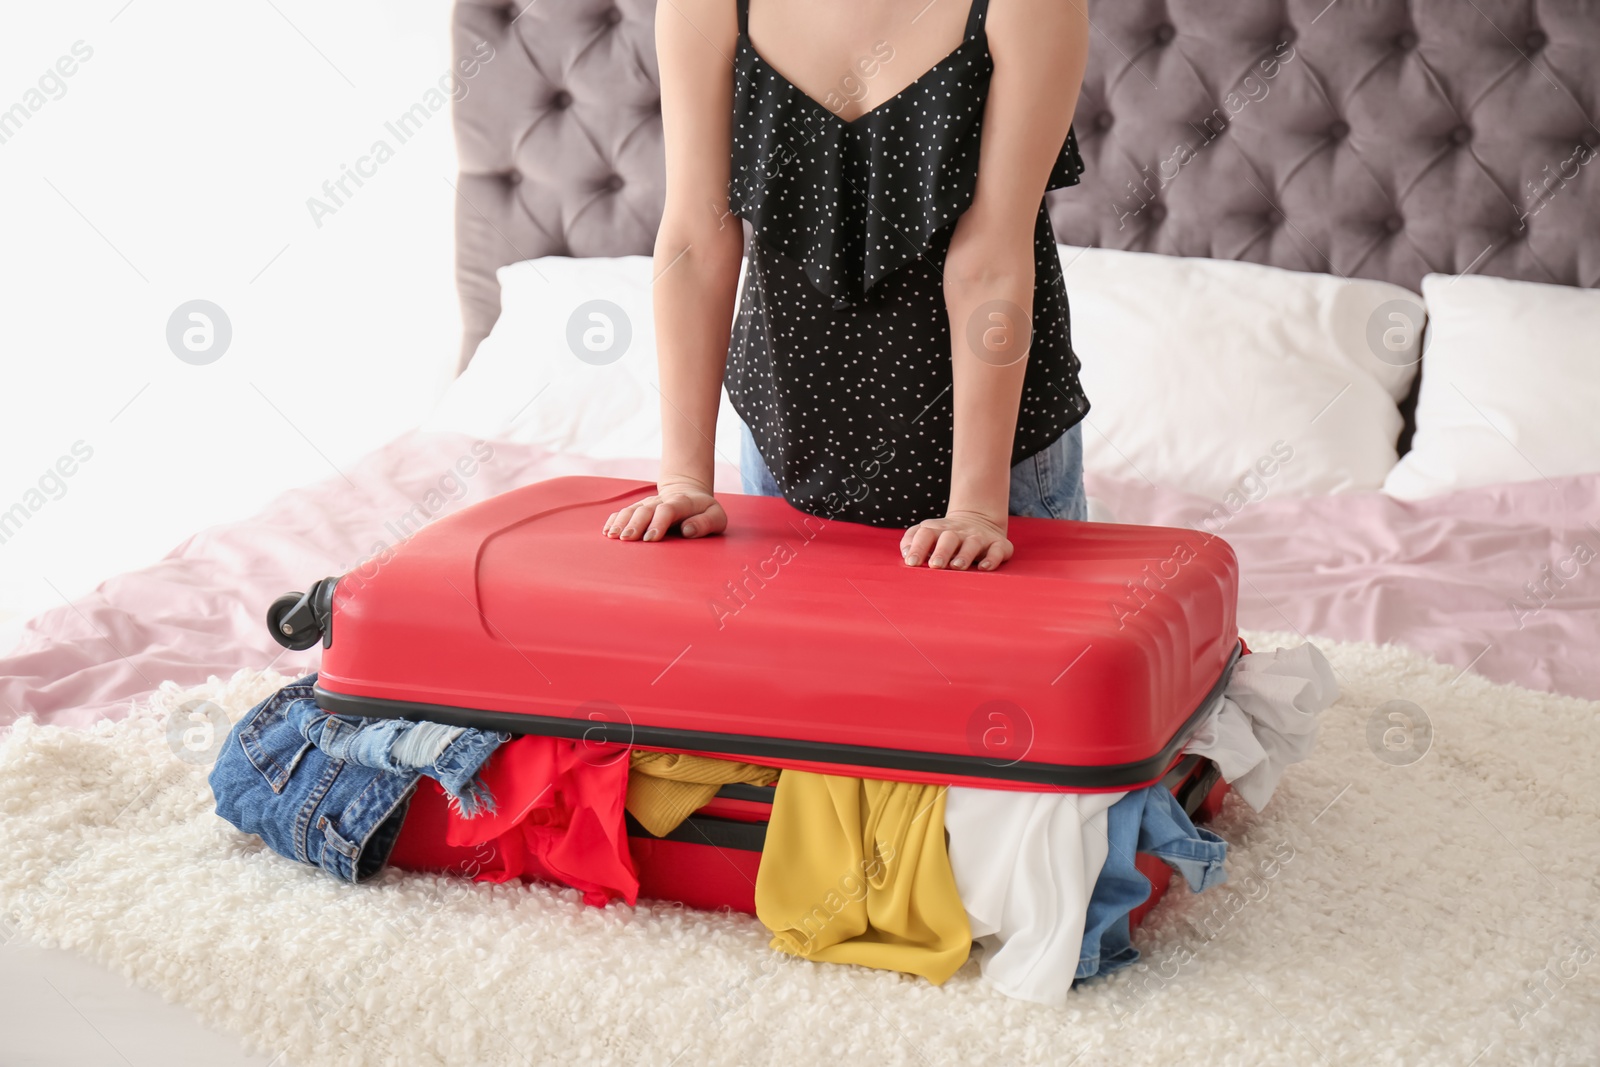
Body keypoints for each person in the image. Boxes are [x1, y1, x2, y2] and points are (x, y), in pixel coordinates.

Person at [603, 0, 1091, 571]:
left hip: (997, 464)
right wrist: (684, 478)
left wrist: (976, 510)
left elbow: (988, 260)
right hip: (786, 441)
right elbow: (695, 241)